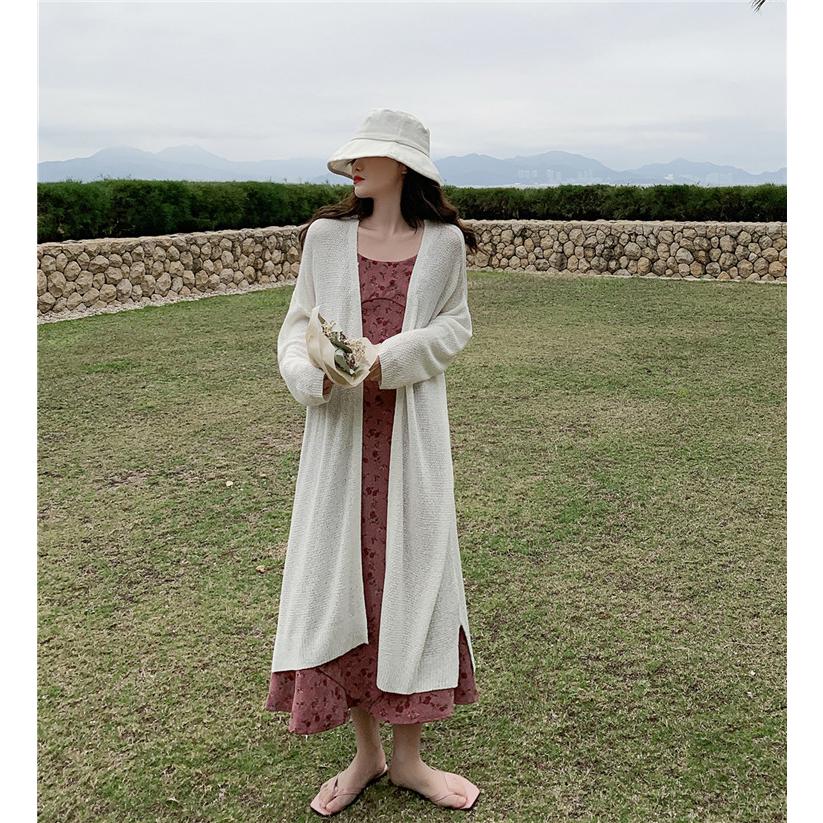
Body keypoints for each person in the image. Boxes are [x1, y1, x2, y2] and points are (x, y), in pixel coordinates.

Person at [265, 109, 482, 816]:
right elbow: (297, 327)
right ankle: (366, 754)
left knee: (412, 582)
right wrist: (317, 372)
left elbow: (454, 325)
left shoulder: (444, 244)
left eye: (370, 155)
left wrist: (388, 358)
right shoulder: (325, 238)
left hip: (411, 438)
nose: (354, 165)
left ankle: (410, 759)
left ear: (404, 167)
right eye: (354, 156)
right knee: (344, 585)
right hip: (340, 439)